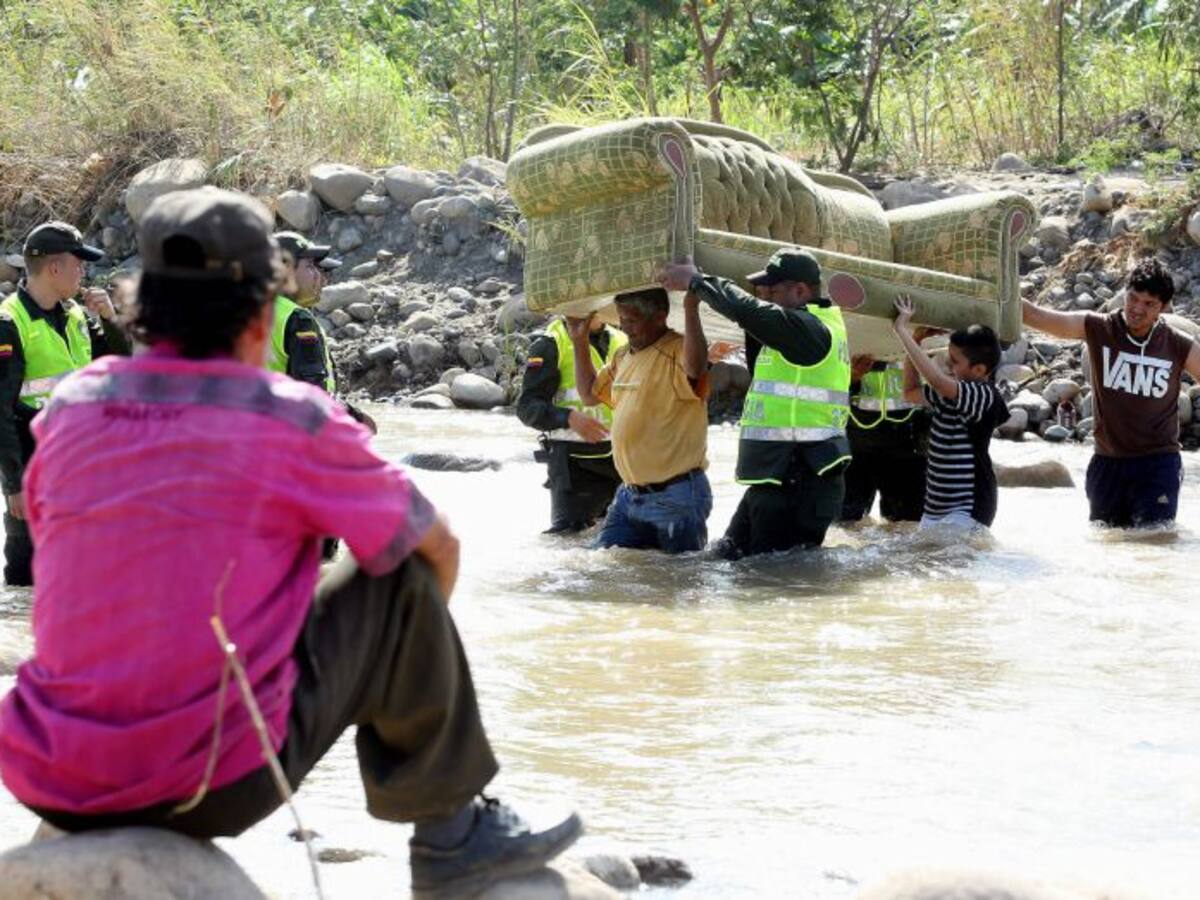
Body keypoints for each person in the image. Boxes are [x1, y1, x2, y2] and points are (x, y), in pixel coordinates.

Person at [0, 188, 580, 897]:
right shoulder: (287, 417)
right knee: (403, 572)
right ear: (261, 310)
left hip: (47, 771)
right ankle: (452, 836)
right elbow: (440, 547)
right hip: (212, 781)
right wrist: (363, 652)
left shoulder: (71, 407)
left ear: (139, 302)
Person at [661, 249, 851, 558]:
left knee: (767, 582)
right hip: (778, 474)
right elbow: (755, 324)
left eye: (772, 291)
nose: (765, 297)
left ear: (800, 291)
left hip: (799, 479)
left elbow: (750, 311)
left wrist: (696, 280)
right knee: (724, 557)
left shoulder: (810, 331)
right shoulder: (796, 333)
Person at [1022, 258, 1200, 527]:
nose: (1137, 309)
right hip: (1107, 464)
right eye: (1133, 298)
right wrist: (998, 292)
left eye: (1148, 304)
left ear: (1162, 308)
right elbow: (1039, 317)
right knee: (1108, 548)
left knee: (1155, 545)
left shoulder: (1177, 344)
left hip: (1158, 465)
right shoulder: (1099, 327)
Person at [0, 221, 130, 586]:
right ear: (55, 268)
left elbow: (121, 368)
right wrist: (14, 485)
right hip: (32, 468)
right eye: (80, 263)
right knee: (27, 577)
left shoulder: (76, 315)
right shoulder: (10, 324)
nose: (84, 271)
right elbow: (1, 413)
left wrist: (110, 320)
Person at [566, 286, 711, 553]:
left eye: (632, 321)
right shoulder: (624, 356)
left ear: (659, 317)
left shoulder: (677, 350)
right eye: (621, 320)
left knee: (681, 579)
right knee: (601, 569)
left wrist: (691, 309)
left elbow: (697, 367)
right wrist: (579, 340)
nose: (625, 328)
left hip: (676, 496)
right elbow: (589, 394)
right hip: (629, 496)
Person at [892, 296, 1009, 530]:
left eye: (954, 361)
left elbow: (936, 380)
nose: (948, 365)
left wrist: (901, 330)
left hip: (968, 509)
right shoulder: (949, 395)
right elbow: (909, 392)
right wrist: (915, 341)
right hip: (934, 509)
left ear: (979, 370)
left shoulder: (982, 394)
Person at [517, 314, 626, 533]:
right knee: (567, 539)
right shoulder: (550, 344)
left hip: (621, 462)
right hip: (573, 466)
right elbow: (527, 408)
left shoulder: (622, 339)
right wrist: (567, 418)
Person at [272, 231, 376, 434]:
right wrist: (355, 418)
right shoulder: (296, 318)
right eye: (310, 266)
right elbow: (311, 394)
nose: (320, 277)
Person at [840, 357, 928, 523]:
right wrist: (852, 376)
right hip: (857, 431)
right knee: (847, 520)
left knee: (909, 522)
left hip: (909, 432)